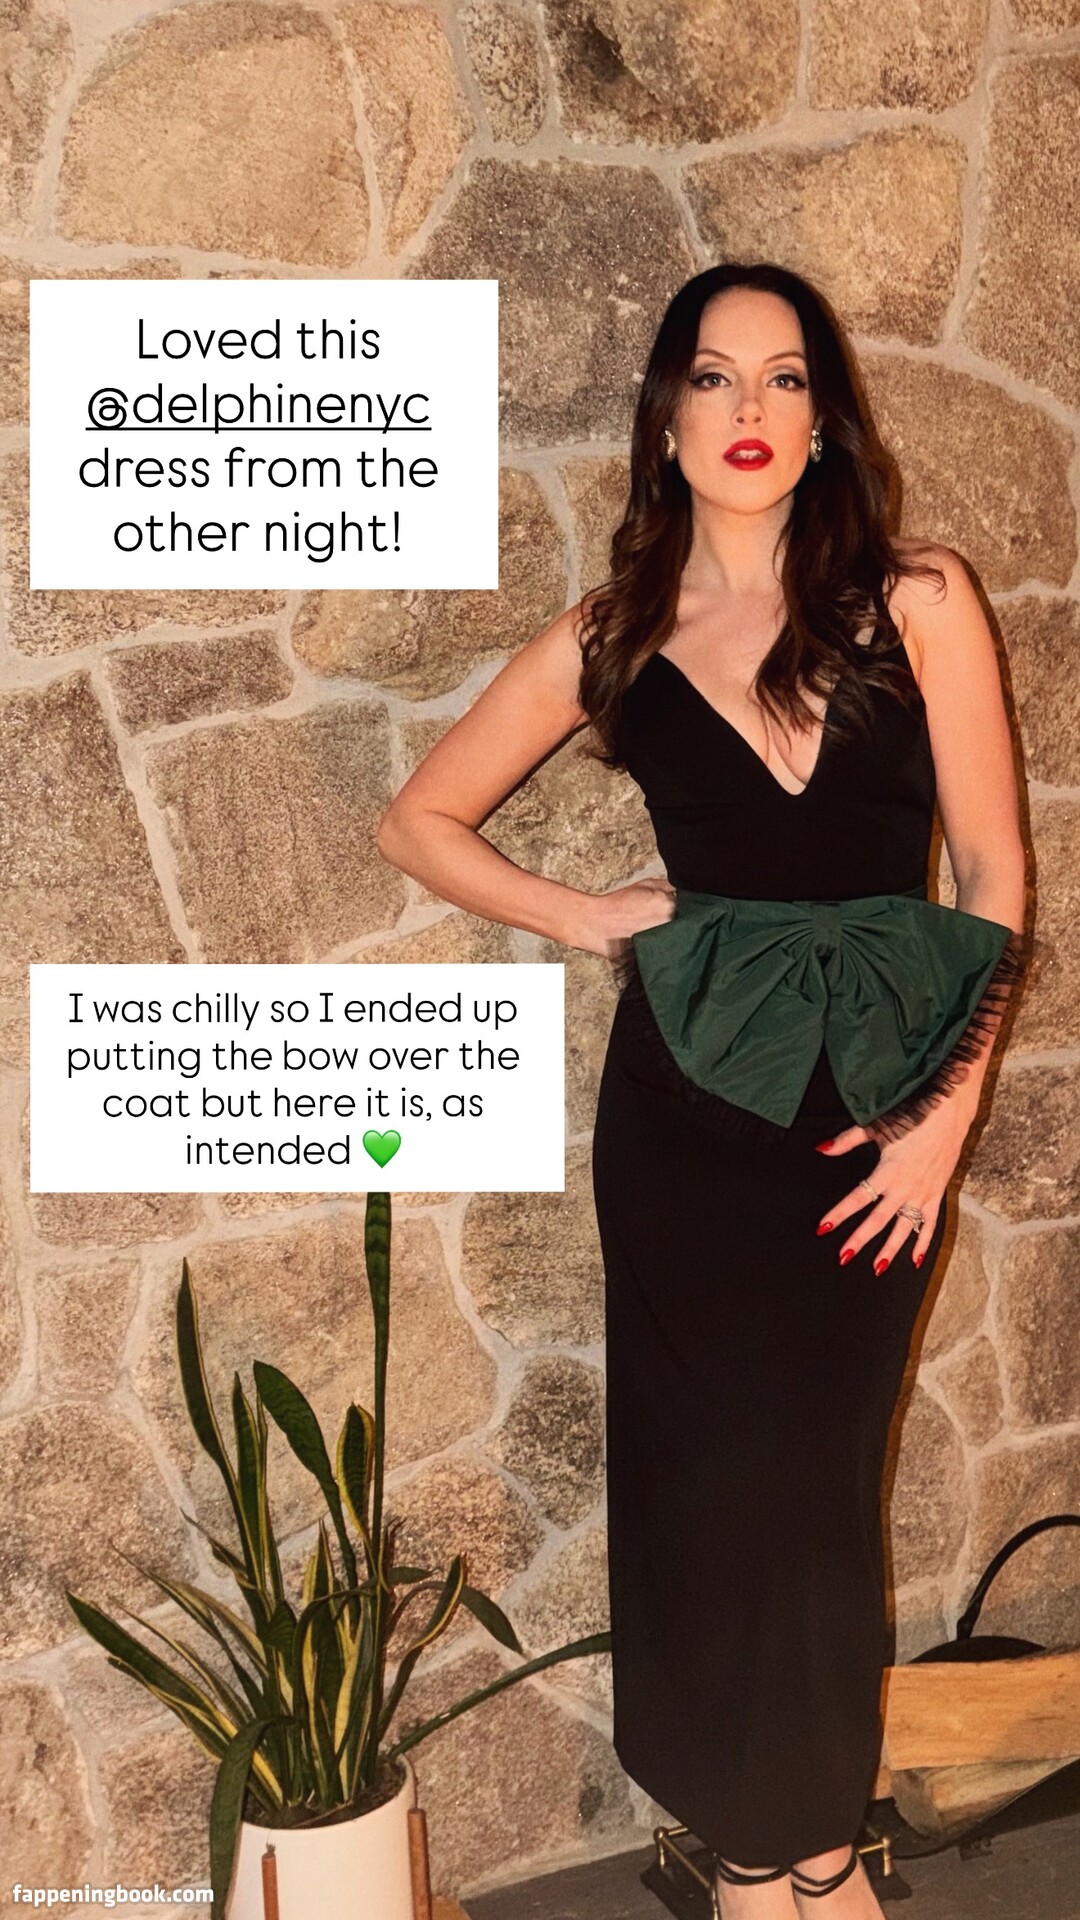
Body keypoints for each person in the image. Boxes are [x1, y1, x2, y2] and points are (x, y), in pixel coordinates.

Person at [375, 262, 1027, 1918]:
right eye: (715, 378)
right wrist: (588, 913)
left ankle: (808, 1845)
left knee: (819, 1485)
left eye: (784, 377)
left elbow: (994, 879)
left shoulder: (921, 599)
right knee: (706, 1489)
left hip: (878, 1119)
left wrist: (941, 1126)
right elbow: (419, 822)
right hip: (688, 1122)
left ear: (823, 418)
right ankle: (767, 1860)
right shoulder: (615, 633)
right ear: (666, 419)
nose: (749, 409)